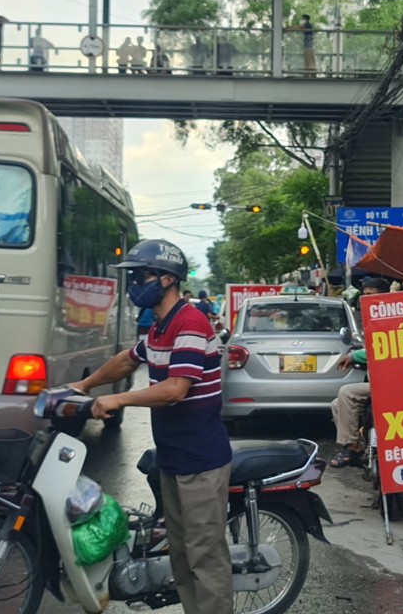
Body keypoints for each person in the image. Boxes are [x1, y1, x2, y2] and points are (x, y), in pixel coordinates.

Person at [71, 239, 232, 614]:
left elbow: (176, 390)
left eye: (141, 275)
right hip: (174, 460)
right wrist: (82, 386)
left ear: (165, 279)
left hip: (201, 462)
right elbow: (128, 361)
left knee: (204, 559)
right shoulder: (161, 327)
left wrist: (117, 399)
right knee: (182, 556)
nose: (135, 284)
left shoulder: (190, 322)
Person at [329, 277, 389, 468]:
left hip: (392, 382)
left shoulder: (390, 315)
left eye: (370, 294)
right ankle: (356, 446)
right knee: (337, 405)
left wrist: (355, 356)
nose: (365, 297)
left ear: (383, 294)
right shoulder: (372, 317)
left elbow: (381, 346)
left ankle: (351, 449)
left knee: (347, 392)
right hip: (377, 380)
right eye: (364, 294)